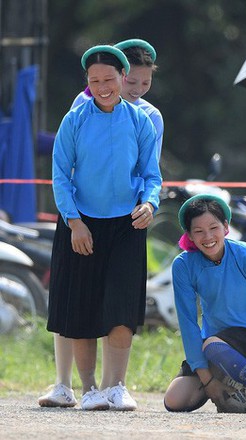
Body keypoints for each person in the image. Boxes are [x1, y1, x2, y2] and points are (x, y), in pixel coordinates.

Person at [39, 38, 163, 409]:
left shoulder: (142, 120)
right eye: (95, 81)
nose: (103, 87)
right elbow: (60, 176)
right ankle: (90, 389)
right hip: (82, 225)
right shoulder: (74, 119)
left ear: (122, 77)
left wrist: (150, 203)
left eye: (109, 78)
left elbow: (151, 175)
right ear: (87, 83)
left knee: (122, 309)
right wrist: (75, 223)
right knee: (81, 310)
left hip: (126, 225)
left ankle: (117, 387)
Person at [163, 194, 246, 414]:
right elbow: (188, 323)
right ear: (189, 235)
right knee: (175, 400)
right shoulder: (183, 265)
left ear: (226, 227)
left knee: (213, 345)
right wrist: (208, 381)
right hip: (216, 349)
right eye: (198, 231)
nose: (207, 237)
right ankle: (242, 391)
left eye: (213, 228)